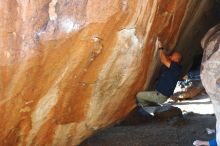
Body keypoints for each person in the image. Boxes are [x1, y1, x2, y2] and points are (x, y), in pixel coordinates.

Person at [137, 40, 182, 106]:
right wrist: (170, 58)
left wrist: (160, 48)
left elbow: (163, 60)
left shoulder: (175, 67)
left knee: (139, 95)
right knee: (147, 92)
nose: (171, 56)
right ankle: (150, 104)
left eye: (173, 55)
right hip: (161, 94)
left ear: (177, 59)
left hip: (160, 96)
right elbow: (166, 59)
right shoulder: (175, 68)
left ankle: (144, 108)